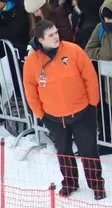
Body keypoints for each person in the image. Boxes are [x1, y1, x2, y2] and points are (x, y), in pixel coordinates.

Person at [23, 20, 105, 199]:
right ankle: (70, 182)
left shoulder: (74, 50)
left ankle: (97, 184)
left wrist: (93, 103)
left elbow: (90, 77)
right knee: (63, 152)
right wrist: (40, 114)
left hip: (82, 112)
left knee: (88, 151)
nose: (56, 37)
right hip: (53, 117)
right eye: (51, 35)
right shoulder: (32, 61)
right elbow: (30, 90)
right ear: (41, 40)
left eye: (56, 32)